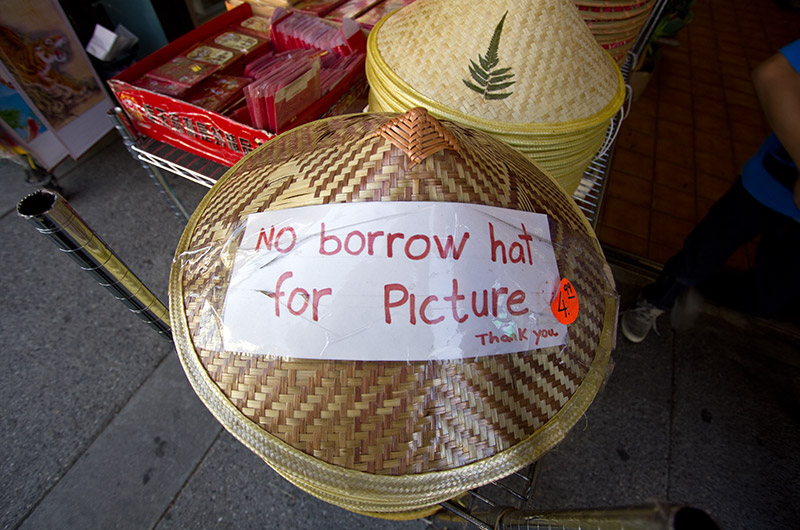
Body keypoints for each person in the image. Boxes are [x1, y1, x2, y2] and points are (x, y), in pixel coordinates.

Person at [621, 38, 800, 343]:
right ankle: (657, 299)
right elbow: (773, 74)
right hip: (766, 185)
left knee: (766, 300)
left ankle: (698, 286)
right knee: (700, 254)